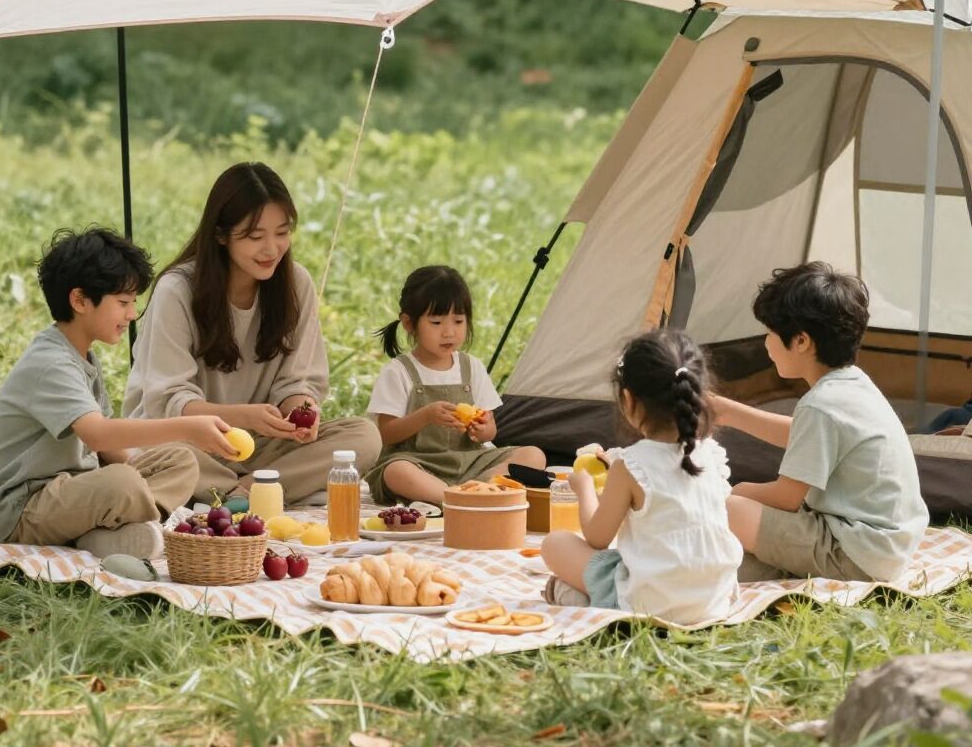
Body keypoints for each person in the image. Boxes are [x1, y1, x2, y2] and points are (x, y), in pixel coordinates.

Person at [124, 161, 381, 505]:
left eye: (283, 232)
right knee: (162, 455)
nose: (272, 248)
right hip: (186, 439)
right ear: (220, 235)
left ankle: (239, 492)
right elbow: (169, 401)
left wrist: (300, 410)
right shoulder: (178, 290)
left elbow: (297, 383)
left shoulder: (296, 284)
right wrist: (244, 416)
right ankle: (258, 489)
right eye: (255, 236)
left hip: (258, 445)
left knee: (363, 436)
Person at [0, 227, 239, 558]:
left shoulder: (82, 355)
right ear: (80, 300)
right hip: (25, 507)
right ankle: (122, 525)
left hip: (76, 488)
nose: (132, 314)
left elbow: (108, 449)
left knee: (180, 460)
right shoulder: (50, 363)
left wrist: (144, 467)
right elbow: (99, 435)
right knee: (121, 483)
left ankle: (109, 530)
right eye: (123, 302)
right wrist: (188, 427)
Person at [715, 262, 929, 584]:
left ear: (801, 341)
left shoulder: (821, 406)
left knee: (731, 510)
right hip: (883, 550)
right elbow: (806, 437)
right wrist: (728, 412)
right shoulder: (851, 385)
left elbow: (787, 497)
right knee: (736, 552)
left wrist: (733, 492)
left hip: (855, 550)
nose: (766, 344)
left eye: (770, 333)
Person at [539, 330, 743, 626]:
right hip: (713, 600)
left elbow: (597, 538)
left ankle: (574, 597)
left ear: (628, 399)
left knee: (555, 544)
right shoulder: (710, 454)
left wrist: (584, 489)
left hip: (651, 602)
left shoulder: (629, 466)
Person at [366, 265, 546, 506]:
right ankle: (460, 498)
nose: (449, 332)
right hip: (420, 463)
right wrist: (426, 415)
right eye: (437, 322)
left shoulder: (471, 367)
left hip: (472, 462)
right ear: (409, 324)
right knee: (397, 472)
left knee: (533, 455)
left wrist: (483, 429)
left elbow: (491, 429)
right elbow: (385, 433)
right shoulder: (399, 371)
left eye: (459, 321)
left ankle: (476, 492)